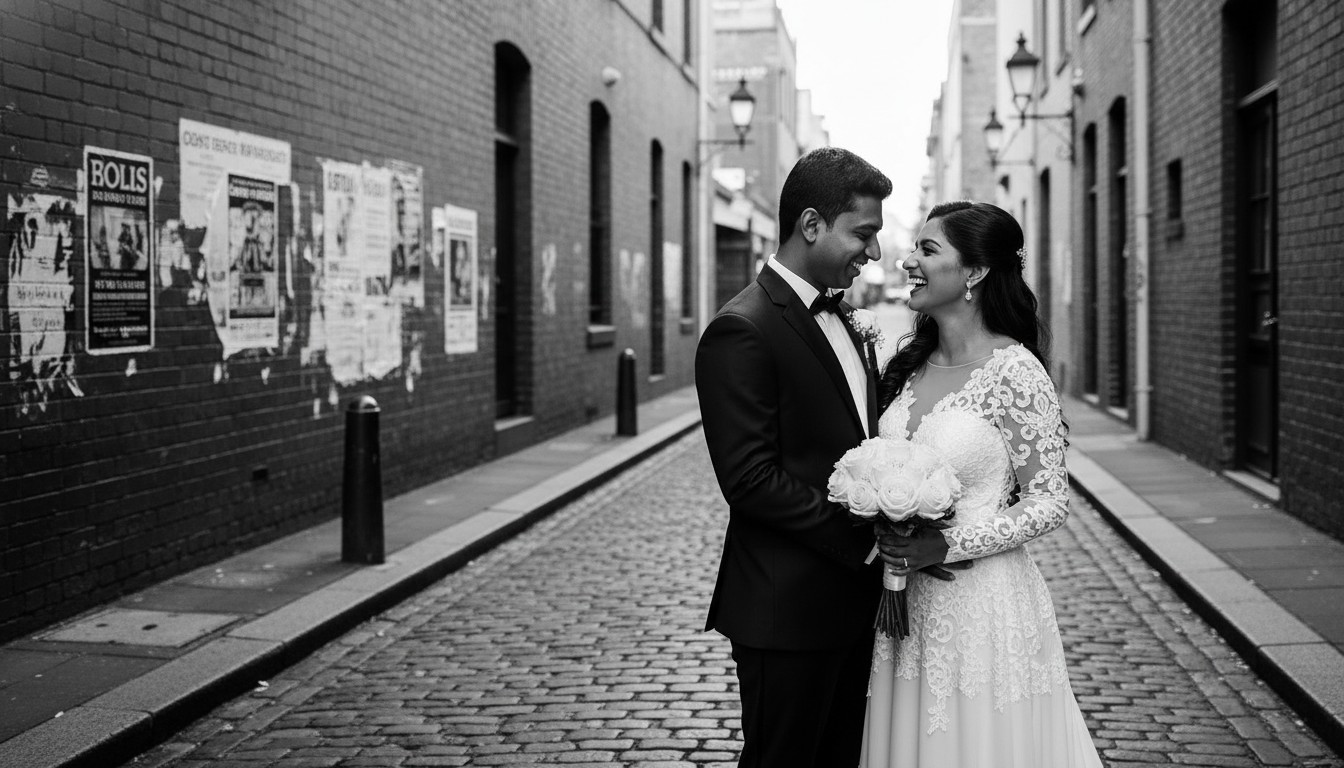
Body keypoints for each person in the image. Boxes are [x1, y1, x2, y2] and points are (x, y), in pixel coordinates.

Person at [696, 148, 961, 767]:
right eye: (863, 233)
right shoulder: (743, 329)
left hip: (854, 609)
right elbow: (750, 480)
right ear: (812, 225)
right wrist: (871, 537)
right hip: (786, 611)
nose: (874, 251)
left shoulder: (845, 317)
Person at [861, 201, 1102, 767]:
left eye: (927, 250)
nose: (908, 262)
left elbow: (1049, 501)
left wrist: (946, 544)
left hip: (981, 604)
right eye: (914, 249)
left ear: (973, 271)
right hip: (905, 607)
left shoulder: (1014, 371)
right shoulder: (908, 365)